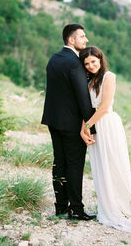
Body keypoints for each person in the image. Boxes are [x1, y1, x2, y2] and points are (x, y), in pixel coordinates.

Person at [79, 46, 131, 232]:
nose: (91, 66)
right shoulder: (89, 80)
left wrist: (87, 126)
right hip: (94, 125)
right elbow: (87, 108)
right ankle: (107, 208)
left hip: (107, 124)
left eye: (94, 61)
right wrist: (83, 129)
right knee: (100, 166)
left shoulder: (109, 76)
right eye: (87, 63)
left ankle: (120, 208)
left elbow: (105, 105)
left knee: (114, 165)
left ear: (100, 60)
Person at [41, 24, 96, 221]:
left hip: (53, 120)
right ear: (71, 40)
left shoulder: (54, 59)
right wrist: (91, 126)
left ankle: (61, 207)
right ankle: (77, 210)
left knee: (59, 163)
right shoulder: (74, 63)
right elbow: (83, 98)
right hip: (72, 124)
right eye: (82, 36)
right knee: (74, 165)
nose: (86, 39)